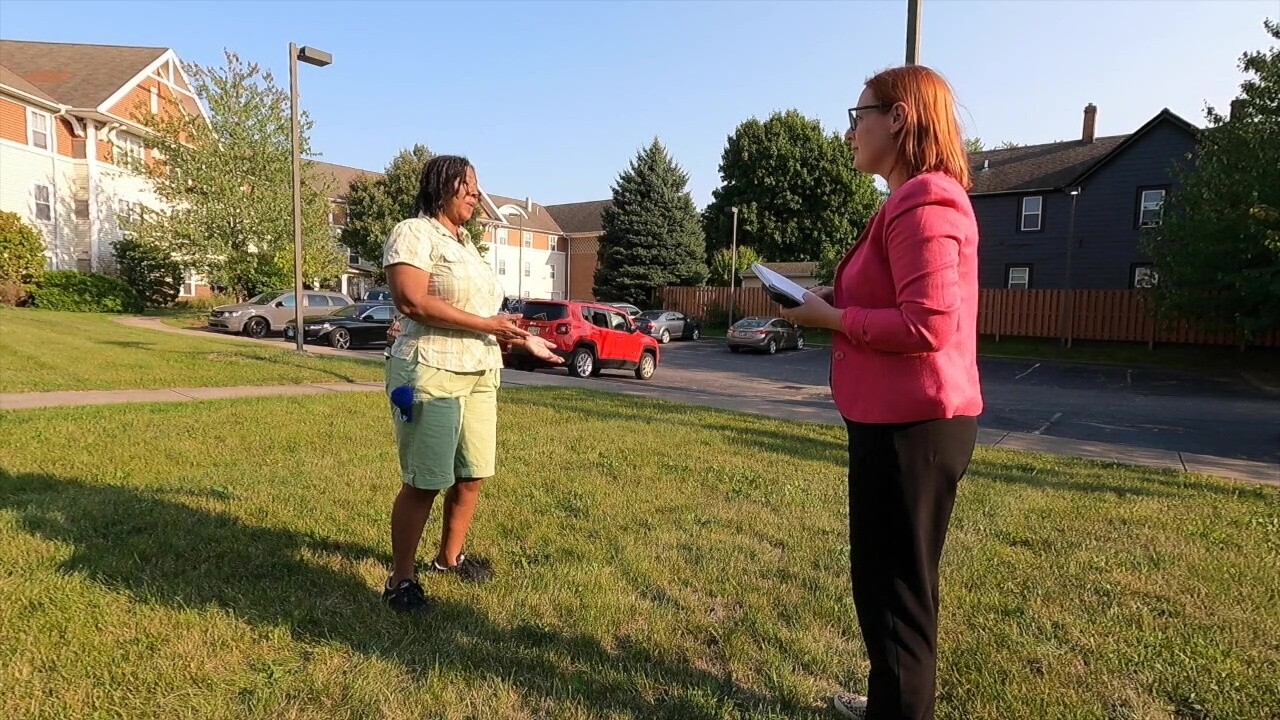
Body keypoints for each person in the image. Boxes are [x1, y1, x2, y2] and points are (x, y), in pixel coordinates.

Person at [780, 65, 983, 720]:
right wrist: (832, 300)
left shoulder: (926, 201)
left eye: (857, 115)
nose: (849, 132)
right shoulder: (910, 201)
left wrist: (834, 319)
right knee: (890, 588)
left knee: (896, 598)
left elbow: (927, 324)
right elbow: (899, 299)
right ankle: (888, 702)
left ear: (897, 118)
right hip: (903, 424)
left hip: (911, 430)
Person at [381, 154, 562, 614]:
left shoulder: (467, 245)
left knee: (473, 472)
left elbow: (483, 317)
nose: (475, 194)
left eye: (476, 186)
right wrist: (487, 324)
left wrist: (521, 338)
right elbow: (411, 301)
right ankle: (401, 578)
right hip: (431, 369)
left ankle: (449, 558)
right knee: (426, 479)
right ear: (441, 186)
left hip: (481, 369)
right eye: (467, 185)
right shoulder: (414, 232)